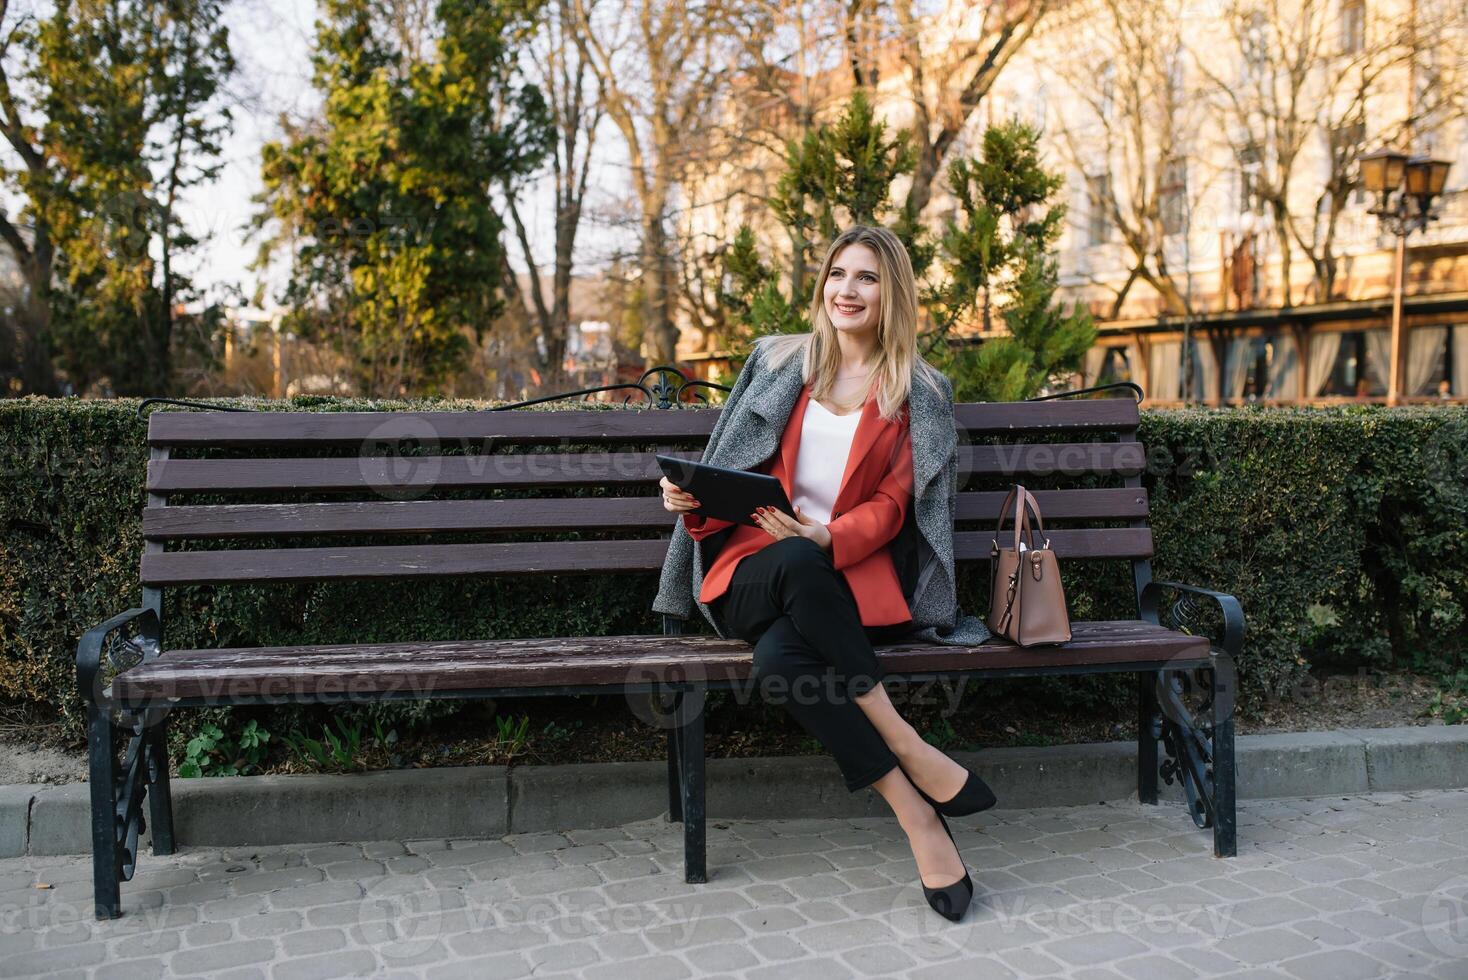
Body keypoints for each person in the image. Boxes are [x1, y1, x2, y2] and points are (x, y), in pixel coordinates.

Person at [654, 225, 995, 922]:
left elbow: (896, 505)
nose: (847, 289)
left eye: (866, 277)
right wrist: (690, 502)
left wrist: (826, 533)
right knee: (792, 565)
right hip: (751, 570)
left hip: (838, 578)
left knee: (780, 660)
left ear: (891, 292)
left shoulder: (915, 392)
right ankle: (908, 743)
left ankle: (916, 816)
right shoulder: (781, 365)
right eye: (839, 274)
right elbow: (729, 469)